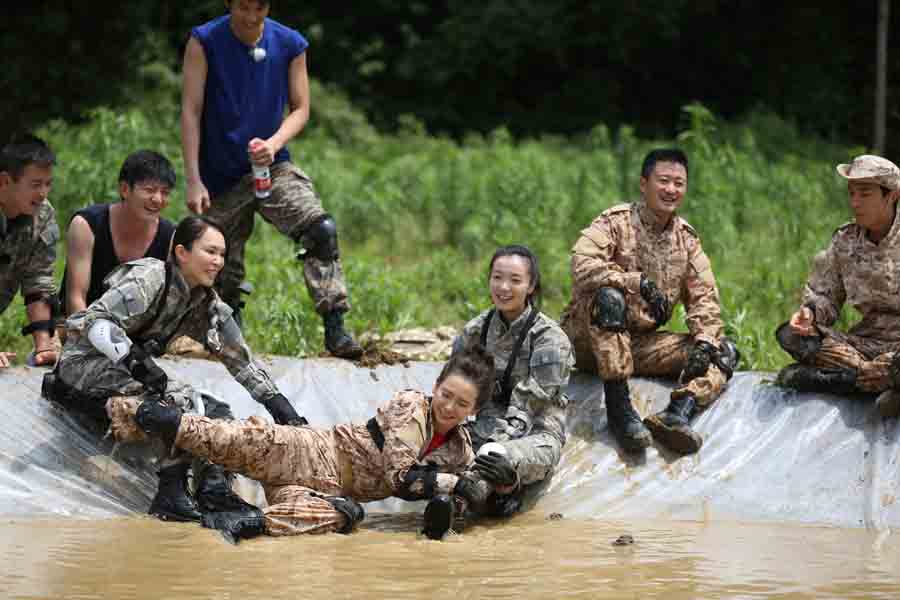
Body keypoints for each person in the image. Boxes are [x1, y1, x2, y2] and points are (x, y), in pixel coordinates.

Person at [44, 216, 306, 522]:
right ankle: (171, 491)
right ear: (182, 252)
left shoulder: (204, 302)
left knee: (216, 411)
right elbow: (96, 323)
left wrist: (280, 405)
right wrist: (136, 363)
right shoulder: (150, 277)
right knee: (179, 401)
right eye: (210, 252)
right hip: (82, 364)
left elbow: (241, 361)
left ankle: (214, 487)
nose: (218, 261)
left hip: (130, 374)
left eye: (222, 254)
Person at [106, 343, 495, 542]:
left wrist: (458, 501)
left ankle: (242, 523)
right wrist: (457, 484)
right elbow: (401, 477)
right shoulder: (412, 406)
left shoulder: (459, 450)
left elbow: (465, 491)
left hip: (330, 493)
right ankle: (148, 415)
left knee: (342, 518)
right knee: (240, 438)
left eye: (461, 403)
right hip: (317, 452)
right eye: (446, 394)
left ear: (474, 410)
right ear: (435, 386)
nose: (448, 406)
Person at [181, 0, 361, 358]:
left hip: (272, 165)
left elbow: (301, 108)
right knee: (215, 260)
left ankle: (335, 327)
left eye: (259, 8)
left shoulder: (290, 43)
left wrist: (274, 142)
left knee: (320, 229)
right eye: (243, 7)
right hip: (221, 174)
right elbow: (191, 110)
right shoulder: (204, 41)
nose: (251, 17)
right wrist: (193, 179)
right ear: (229, 4)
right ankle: (226, 334)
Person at [560, 148, 739, 455]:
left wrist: (705, 342)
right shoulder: (615, 223)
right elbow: (581, 266)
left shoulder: (687, 240)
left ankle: (677, 413)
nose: (671, 189)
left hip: (638, 344)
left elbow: (705, 299)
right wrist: (634, 281)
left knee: (722, 351)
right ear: (644, 184)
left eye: (679, 183)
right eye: (663, 181)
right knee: (609, 298)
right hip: (586, 339)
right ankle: (620, 413)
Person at [439, 245, 573, 531]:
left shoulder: (551, 340)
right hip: (483, 428)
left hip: (535, 433)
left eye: (515, 280)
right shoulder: (475, 332)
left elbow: (527, 407)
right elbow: (453, 389)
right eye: (497, 278)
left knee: (495, 457)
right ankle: (460, 501)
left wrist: (483, 451)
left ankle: (491, 493)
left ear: (531, 286)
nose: (503, 287)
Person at [776, 154, 900, 418]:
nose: (855, 203)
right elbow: (825, 296)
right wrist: (810, 314)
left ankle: (851, 380)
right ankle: (871, 380)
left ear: (891, 196)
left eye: (864, 194)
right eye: (851, 193)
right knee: (792, 336)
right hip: (865, 346)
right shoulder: (845, 240)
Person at [62, 150, 176, 316]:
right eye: (149, 190)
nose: (158, 199)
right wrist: (89, 336)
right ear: (124, 189)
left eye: (165, 192)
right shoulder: (87, 224)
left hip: (135, 334)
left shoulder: (170, 236)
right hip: (78, 324)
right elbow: (76, 297)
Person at [0, 134, 60, 368]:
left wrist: (44, 346)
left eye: (48, 184)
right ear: (5, 182)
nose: (43, 193)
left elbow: (38, 283)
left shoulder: (42, 215)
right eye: (35, 185)